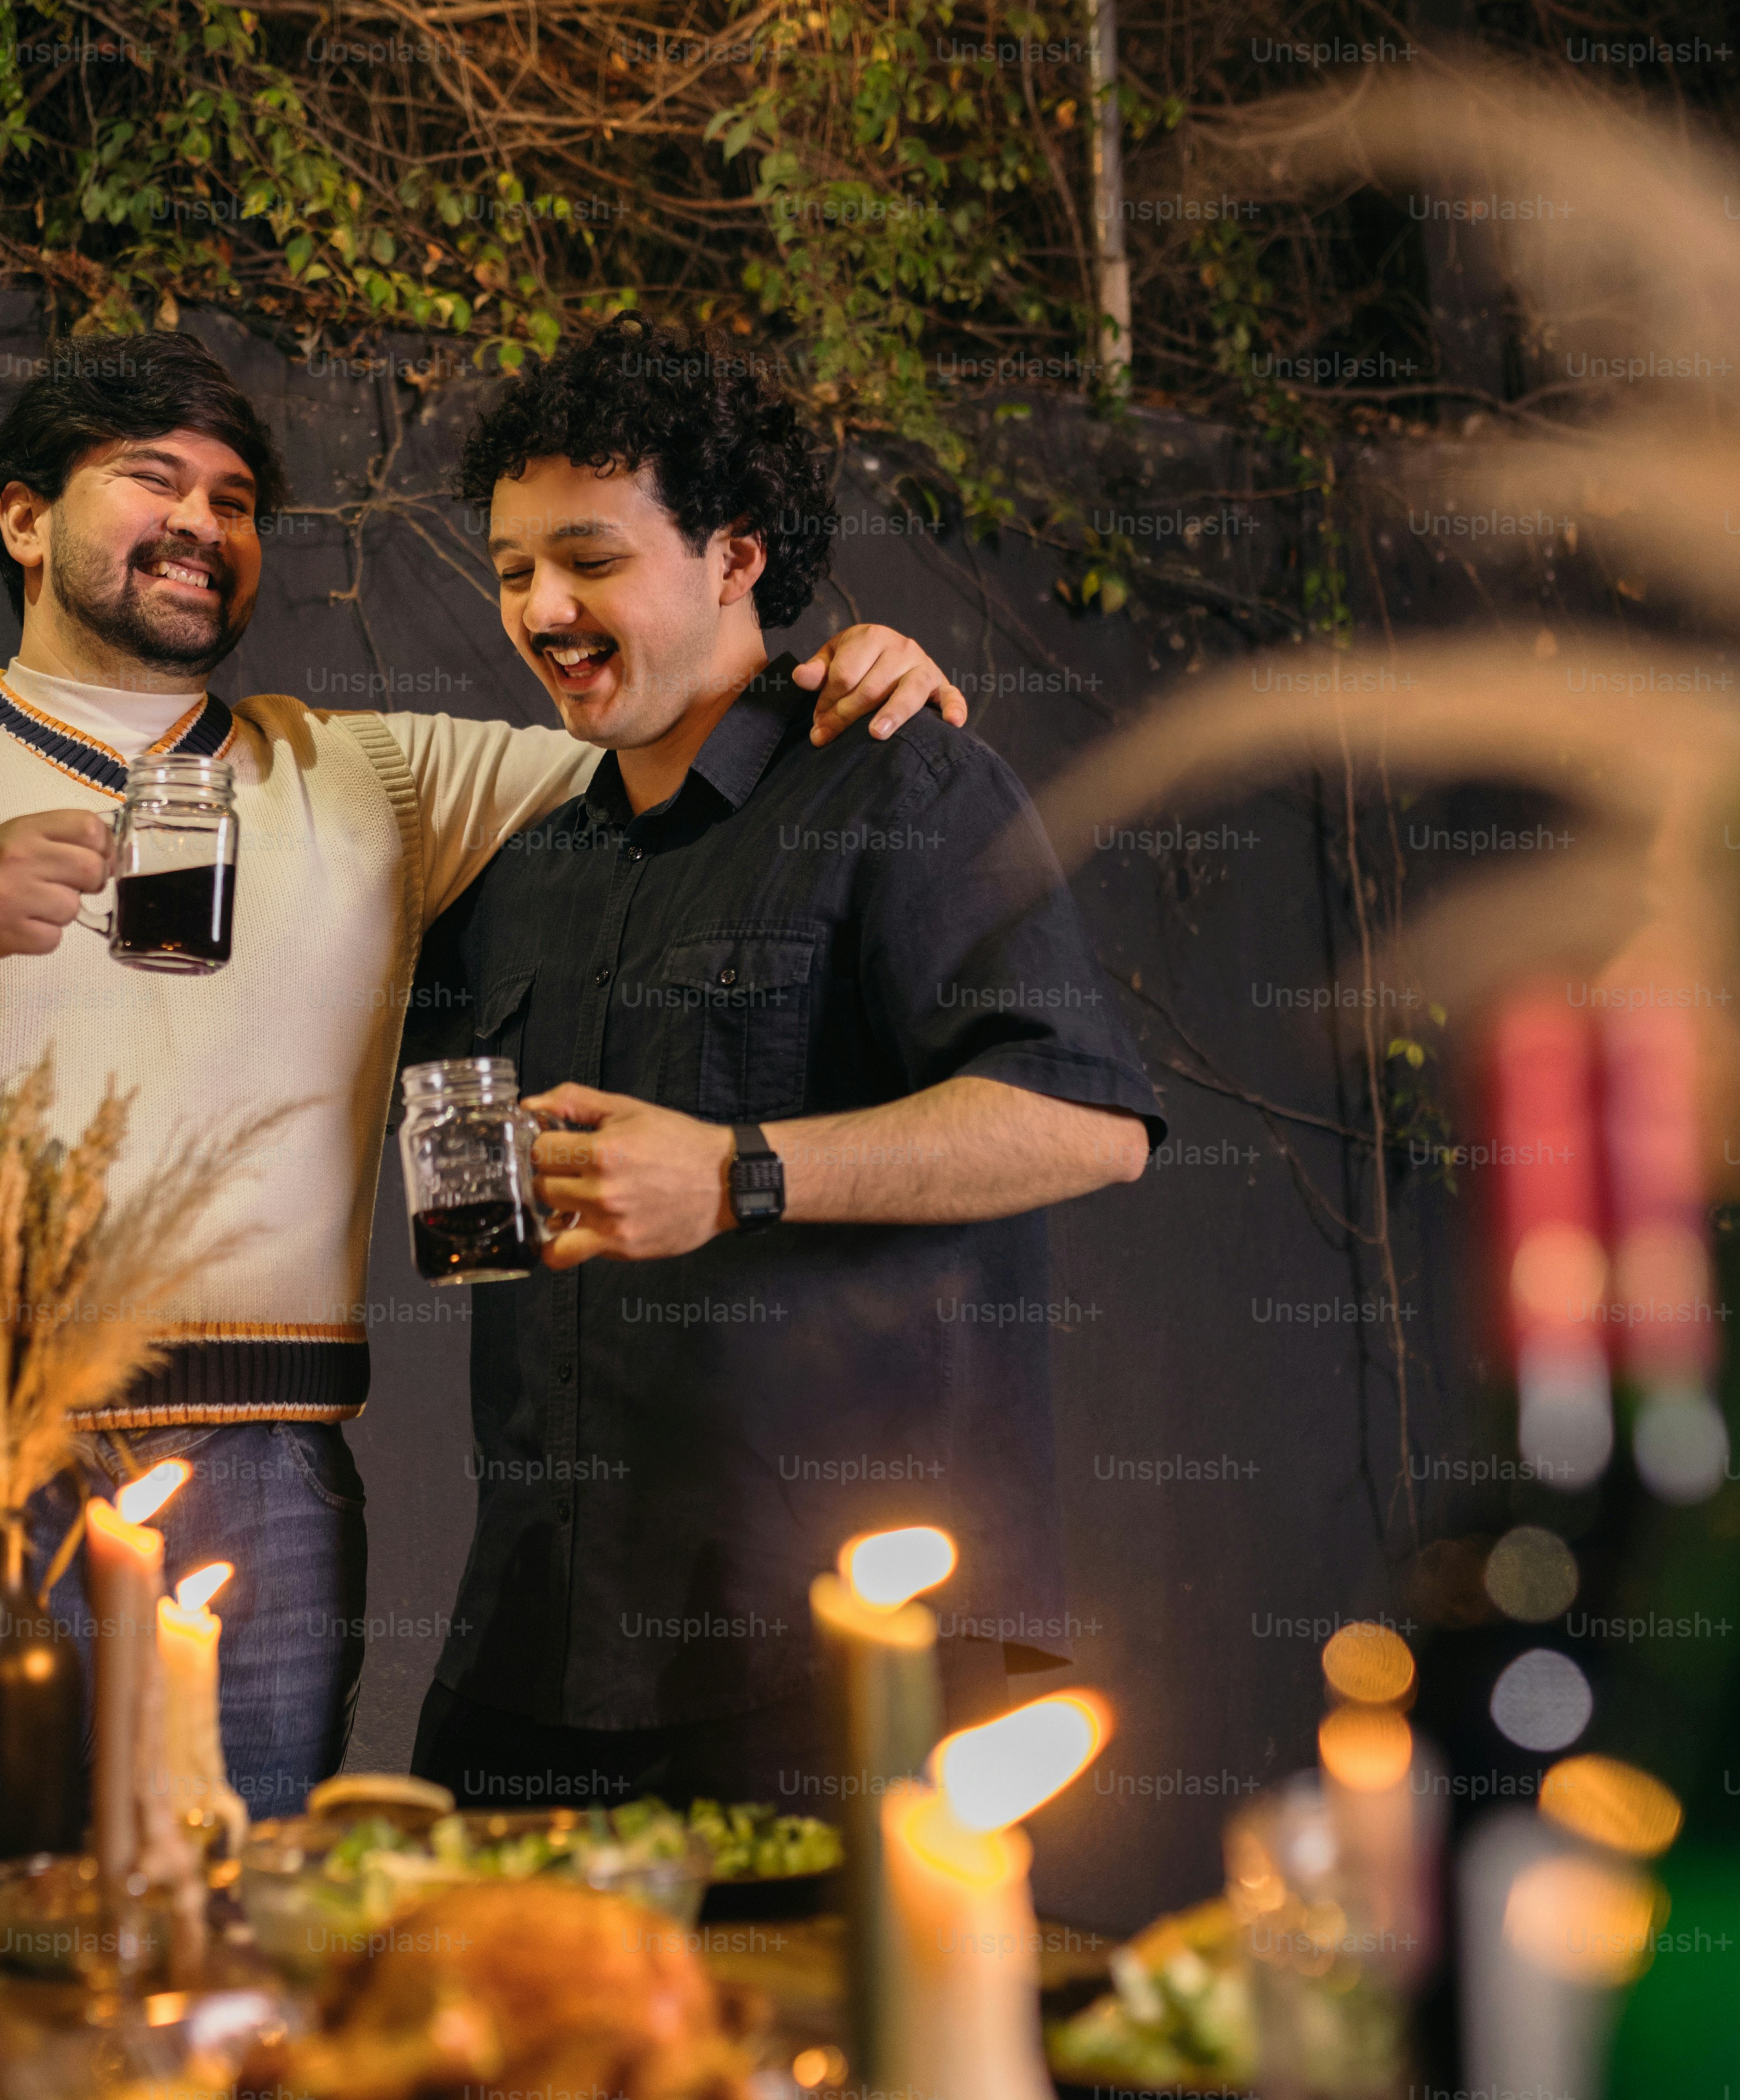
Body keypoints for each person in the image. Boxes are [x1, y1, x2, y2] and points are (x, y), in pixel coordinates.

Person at [0, 332, 968, 1837]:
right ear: (24, 518)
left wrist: (840, 655)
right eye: (153, 478)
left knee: (224, 1980)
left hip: (245, 1497)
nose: (204, 522)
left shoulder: (380, 775)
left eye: (239, 499)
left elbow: (683, 714)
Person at [401, 320, 1164, 1811]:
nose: (542, 608)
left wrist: (740, 1170)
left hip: (830, 1661)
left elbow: (1087, 1117)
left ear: (736, 554)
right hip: (539, 1648)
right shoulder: (532, 864)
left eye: (590, 560)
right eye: (509, 571)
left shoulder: (899, 771)